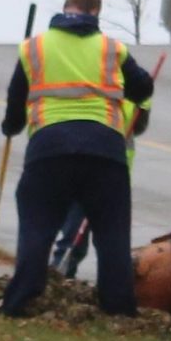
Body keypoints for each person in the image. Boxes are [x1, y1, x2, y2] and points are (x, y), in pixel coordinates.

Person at [0, 0, 156, 316]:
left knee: (37, 226)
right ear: (96, 12)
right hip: (105, 151)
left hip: (49, 149)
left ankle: (21, 299)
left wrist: (11, 127)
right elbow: (143, 87)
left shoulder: (34, 48)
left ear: (65, 7)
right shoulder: (112, 49)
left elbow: (15, 103)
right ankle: (118, 307)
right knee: (112, 234)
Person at [50, 93, 150, 280]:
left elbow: (139, 125)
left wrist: (140, 105)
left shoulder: (131, 84)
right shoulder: (92, 80)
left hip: (112, 174)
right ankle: (57, 285)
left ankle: (113, 296)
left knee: (111, 245)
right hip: (85, 170)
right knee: (75, 240)